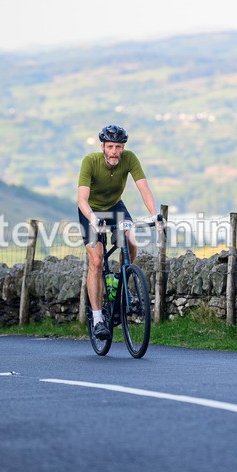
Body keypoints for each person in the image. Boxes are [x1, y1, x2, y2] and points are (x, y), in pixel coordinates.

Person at [77, 124, 159, 339]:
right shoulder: (90, 161)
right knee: (96, 260)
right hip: (91, 211)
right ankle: (98, 319)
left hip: (115, 207)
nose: (114, 151)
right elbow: (82, 199)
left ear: (123, 148)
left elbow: (144, 188)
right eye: (110, 146)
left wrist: (155, 215)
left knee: (131, 240)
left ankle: (121, 285)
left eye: (119, 147)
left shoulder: (129, 159)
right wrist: (93, 219)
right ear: (103, 147)